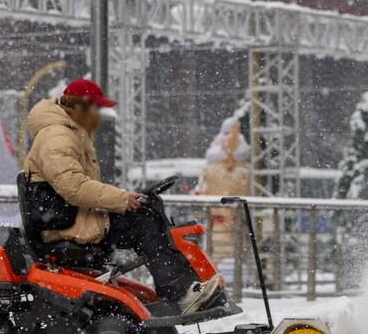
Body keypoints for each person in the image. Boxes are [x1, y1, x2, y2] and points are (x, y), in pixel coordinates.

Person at [23, 78, 222, 315]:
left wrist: (125, 198)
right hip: (64, 227)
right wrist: (121, 199)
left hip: (73, 217)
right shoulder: (58, 137)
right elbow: (73, 187)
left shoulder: (71, 133)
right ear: (79, 107)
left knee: (147, 211)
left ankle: (184, 288)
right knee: (143, 223)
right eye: (96, 108)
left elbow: (80, 187)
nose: (98, 115)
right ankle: (179, 294)